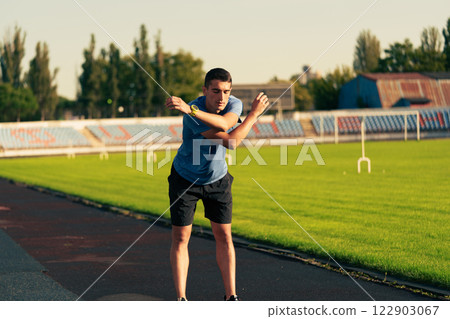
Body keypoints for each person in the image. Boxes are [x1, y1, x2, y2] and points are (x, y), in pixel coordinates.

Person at [165, 68, 269, 301]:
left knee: (224, 236)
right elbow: (231, 142)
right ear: (204, 91)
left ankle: (231, 296)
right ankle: (181, 299)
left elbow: (227, 125)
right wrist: (192, 111)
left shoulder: (233, 104)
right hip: (185, 179)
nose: (222, 98)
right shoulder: (190, 112)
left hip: (217, 179)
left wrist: (252, 114)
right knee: (181, 238)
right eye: (215, 91)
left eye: (226, 91)